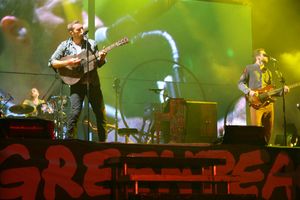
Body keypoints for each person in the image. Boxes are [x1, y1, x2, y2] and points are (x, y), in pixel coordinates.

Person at [48, 20, 107, 141]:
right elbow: (52, 62)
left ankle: (103, 143)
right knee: (74, 114)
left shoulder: (91, 43)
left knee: (100, 114)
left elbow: (98, 64)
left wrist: (102, 58)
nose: (82, 30)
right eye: (78, 29)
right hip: (76, 84)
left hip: (93, 84)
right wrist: (68, 62)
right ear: (71, 33)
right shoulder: (65, 45)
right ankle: (69, 142)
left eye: (82, 28)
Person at [238, 48, 289, 144]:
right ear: (258, 57)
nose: (267, 56)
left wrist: (282, 91)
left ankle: (265, 153)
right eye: (264, 54)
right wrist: (249, 91)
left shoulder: (268, 72)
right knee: (256, 132)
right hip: (256, 104)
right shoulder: (249, 68)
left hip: (269, 104)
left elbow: (272, 91)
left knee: (268, 133)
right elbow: (240, 83)